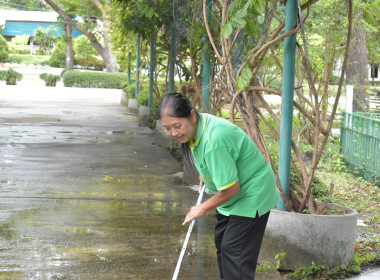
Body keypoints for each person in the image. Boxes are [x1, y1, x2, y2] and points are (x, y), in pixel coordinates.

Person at [158, 92, 278, 280]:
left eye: (177, 126)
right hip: (233, 192)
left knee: (234, 250)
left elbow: (231, 188)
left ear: (192, 116)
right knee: (223, 241)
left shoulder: (214, 141)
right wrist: (207, 174)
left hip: (251, 192)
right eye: (167, 128)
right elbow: (210, 159)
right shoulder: (197, 127)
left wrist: (202, 207)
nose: (173, 133)